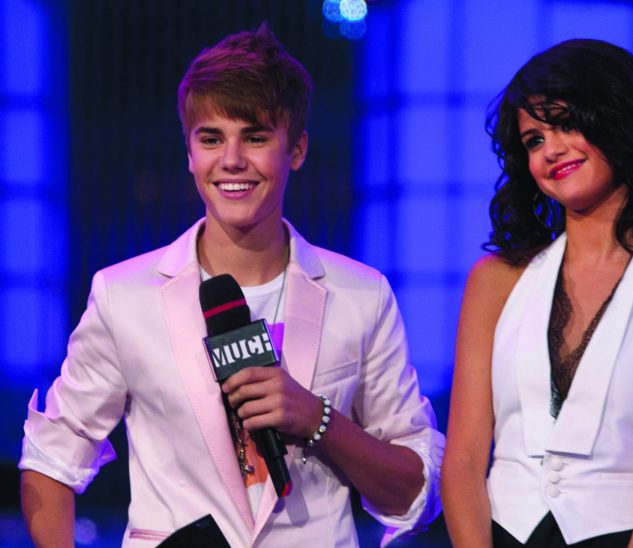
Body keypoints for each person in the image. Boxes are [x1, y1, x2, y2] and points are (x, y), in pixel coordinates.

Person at [20, 24, 443, 547]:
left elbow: (413, 493)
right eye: (212, 138)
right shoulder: (123, 295)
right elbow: (51, 459)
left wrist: (317, 418)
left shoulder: (362, 294)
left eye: (256, 137)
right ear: (190, 153)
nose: (232, 160)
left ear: (297, 149)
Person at [441, 39, 633, 547]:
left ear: (618, 123)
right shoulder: (495, 280)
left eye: (567, 124)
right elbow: (464, 460)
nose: (551, 150)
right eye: (534, 140)